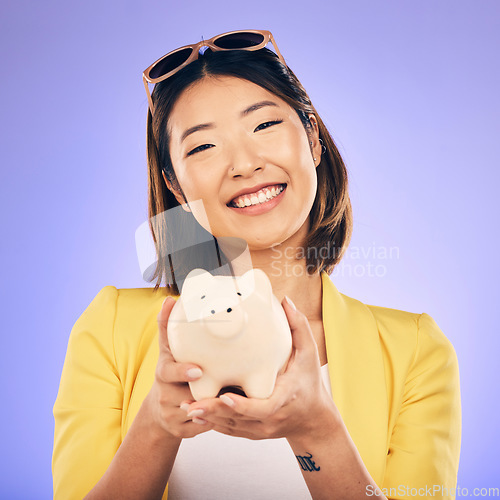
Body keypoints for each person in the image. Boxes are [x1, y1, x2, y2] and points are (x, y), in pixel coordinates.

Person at [52, 30, 461, 499]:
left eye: (264, 126)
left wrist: (317, 432)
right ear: (176, 187)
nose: (244, 165)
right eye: (202, 147)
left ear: (312, 138)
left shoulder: (414, 351)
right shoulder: (110, 330)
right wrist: (158, 425)